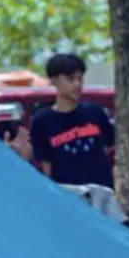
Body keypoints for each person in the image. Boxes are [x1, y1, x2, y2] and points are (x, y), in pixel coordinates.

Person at [29, 53, 115, 187]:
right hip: (68, 191)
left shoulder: (95, 112)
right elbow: (46, 163)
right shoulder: (41, 121)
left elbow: (112, 149)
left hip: (102, 190)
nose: (77, 84)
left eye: (80, 79)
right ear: (54, 81)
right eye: (70, 79)